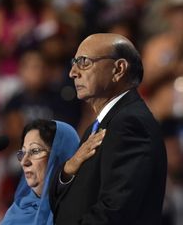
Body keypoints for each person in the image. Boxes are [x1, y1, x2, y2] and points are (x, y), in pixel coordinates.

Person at [49, 33, 167, 225]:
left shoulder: (130, 124)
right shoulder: (97, 128)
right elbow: (66, 203)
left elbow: (115, 211)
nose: (73, 72)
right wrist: (67, 171)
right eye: (74, 62)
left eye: (84, 61)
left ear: (118, 69)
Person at [0, 119, 83, 224]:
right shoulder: (17, 212)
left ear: (59, 156)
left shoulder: (81, 208)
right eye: (23, 153)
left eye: (35, 151)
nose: (24, 162)